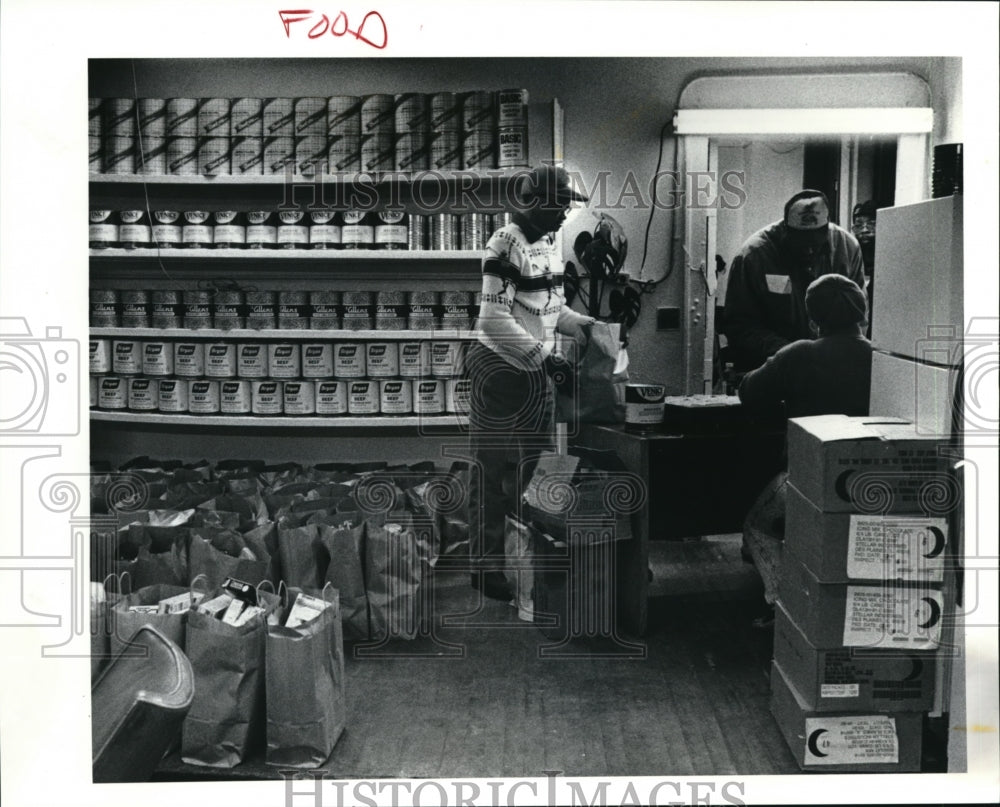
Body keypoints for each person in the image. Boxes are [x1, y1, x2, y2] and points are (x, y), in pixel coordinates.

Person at [467, 164, 595, 602]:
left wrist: (589, 327)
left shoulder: (548, 244)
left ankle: (526, 558)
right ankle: (485, 566)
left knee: (532, 472)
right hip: (500, 368)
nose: (565, 213)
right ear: (533, 202)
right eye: (559, 204)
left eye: (567, 204)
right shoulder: (505, 244)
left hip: (534, 368)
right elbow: (493, 319)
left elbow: (552, 311)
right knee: (494, 471)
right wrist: (548, 357)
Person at [737, 273, 873, 627]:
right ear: (863, 314)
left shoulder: (798, 354)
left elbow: (748, 392)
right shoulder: (880, 356)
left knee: (757, 526)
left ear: (813, 319)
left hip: (808, 475)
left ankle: (786, 609)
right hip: (869, 477)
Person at [723, 189, 866, 372]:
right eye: (801, 244)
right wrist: (792, 355)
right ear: (785, 230)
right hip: (770, 367)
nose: (809, 252)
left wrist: (845, 357)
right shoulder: (754, 255)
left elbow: (859, 316)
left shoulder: (847, 248)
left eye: (815, 245)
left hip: (830, 366)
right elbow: (739, 326)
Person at [851, 200, 877, 333]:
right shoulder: (851, 259)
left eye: (872, 224)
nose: (865, 230)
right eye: (859, 225)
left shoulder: (889, 260)